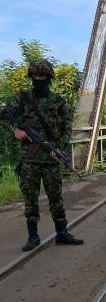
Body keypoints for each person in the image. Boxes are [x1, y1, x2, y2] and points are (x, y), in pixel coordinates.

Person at [6, 59, 83, 251]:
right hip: (29, 160)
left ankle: (62, 233)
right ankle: (33, 236)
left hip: (50, 159)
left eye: (42, 76)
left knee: (55, 197)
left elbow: (66, 129)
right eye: (35, 76)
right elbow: (4, 117)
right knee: (30, 199)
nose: (39, 79)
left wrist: (58, 149)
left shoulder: (58, 102)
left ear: (49, 78)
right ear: (31, 77)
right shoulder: (21, 98)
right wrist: (14, 131)